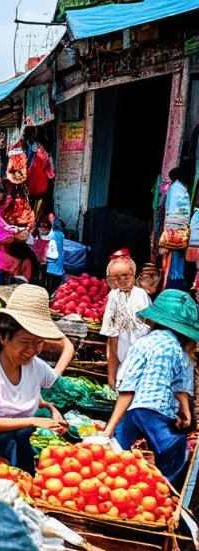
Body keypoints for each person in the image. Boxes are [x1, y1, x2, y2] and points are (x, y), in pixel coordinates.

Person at [99, 288, 198, 487]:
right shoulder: (180, 352)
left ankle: (113, 485)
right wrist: (186, 413)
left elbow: (128, 388)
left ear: (154, 320)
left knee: (118, 450)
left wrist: (109, 428)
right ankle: (163, 489)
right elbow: (181, 387)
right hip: (158, 413)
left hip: (134, 410)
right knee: (174, 448)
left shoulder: (142, 344)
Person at [0, 285, 75, 473]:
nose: (32, 351)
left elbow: (67, 347)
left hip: (21, 449)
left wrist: (51, 408)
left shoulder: (37, 367)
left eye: (38, 343)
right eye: (25, 342)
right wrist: (33, 421)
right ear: (4, 337)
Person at [100, 251, 151, 388]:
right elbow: (113, 340)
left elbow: (150, 324)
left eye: (125, 276)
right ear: (110, 280)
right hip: (125, 362)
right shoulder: (114, 297)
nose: (121, 280)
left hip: (144, 358)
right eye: (116, 277)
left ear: (133, 275)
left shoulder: (141, 295)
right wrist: (112, 378)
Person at [161, 166, 192, 291]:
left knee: (172, 260)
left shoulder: (175, 189)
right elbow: (179, 212)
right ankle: (173, 286)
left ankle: (171, 285)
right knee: (174, 260)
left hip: (173, 229)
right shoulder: (179, 189)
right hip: (177, 231)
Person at [41, 215, 65, 293]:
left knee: (49, 284)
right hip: (56, 264)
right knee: (54, 285)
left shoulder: (54, 235)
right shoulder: (60, 235)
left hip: (51, 265)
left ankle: (49, 295)